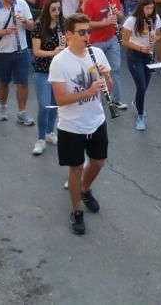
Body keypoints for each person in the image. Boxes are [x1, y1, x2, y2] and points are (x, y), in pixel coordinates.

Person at [49, 14, 113, 236]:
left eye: (89, 32)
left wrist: (106, 77)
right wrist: (89, 91)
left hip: (96, 120)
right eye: (82, 32)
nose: (88, 36)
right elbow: (60, 99)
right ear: (68, 34)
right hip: (71, 125)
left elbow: (109, 90)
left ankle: (85, 190)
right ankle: (76, 210)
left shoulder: (97, 54)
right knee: (75, 168)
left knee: (98, 162)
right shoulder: (59, 62)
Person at [31, 0, 64, 156]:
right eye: (53, 9)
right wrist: (53, 52)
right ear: (47, 9)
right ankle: (40, 139)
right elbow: (36, 51)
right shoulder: (39, 26)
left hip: (59, 71)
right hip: (42, 70)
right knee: (44, 105)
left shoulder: (63, 25)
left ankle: (50, 132)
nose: (57, 12)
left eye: (59, 9)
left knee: (55, 104)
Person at [122, 0, 161, 130]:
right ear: (141, 8)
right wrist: (140, 47)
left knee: (143, 87)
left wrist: (154, 38)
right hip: (135, 55)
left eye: (152, 8)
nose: (150, 11)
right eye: (147, 8)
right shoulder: (132, 20)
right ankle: (140, 115)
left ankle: (137, 102)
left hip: (149, 55)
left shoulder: (155, 19)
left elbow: (159, 35)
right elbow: (124, 41)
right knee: (142, 86)